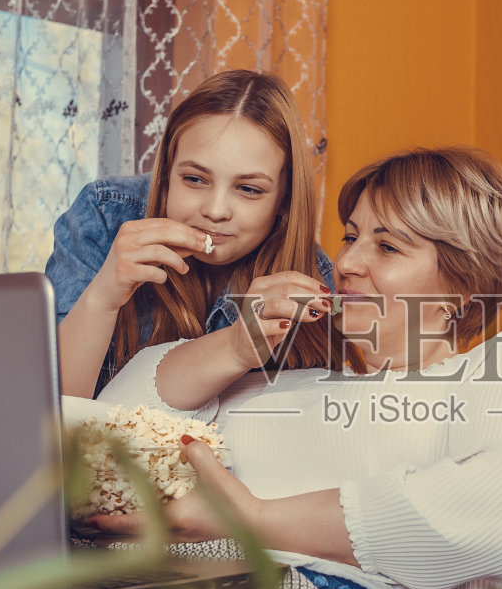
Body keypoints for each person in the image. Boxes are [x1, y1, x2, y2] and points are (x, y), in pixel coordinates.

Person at [92, 147, 502, 589]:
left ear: (461, 286)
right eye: (350, 237)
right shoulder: (285, 381)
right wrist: (237, 346)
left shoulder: (499, 369)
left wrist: (253, 518)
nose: (346, 262)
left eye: (387, 247)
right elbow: (109, 431)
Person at [44, 70, 337, 397]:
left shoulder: (311, 279)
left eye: (248, 189)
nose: (215, 210)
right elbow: (52, 412)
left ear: (284, 198)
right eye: (195, 179)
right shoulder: (104, 216)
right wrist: (103, 296)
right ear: (166, 173)